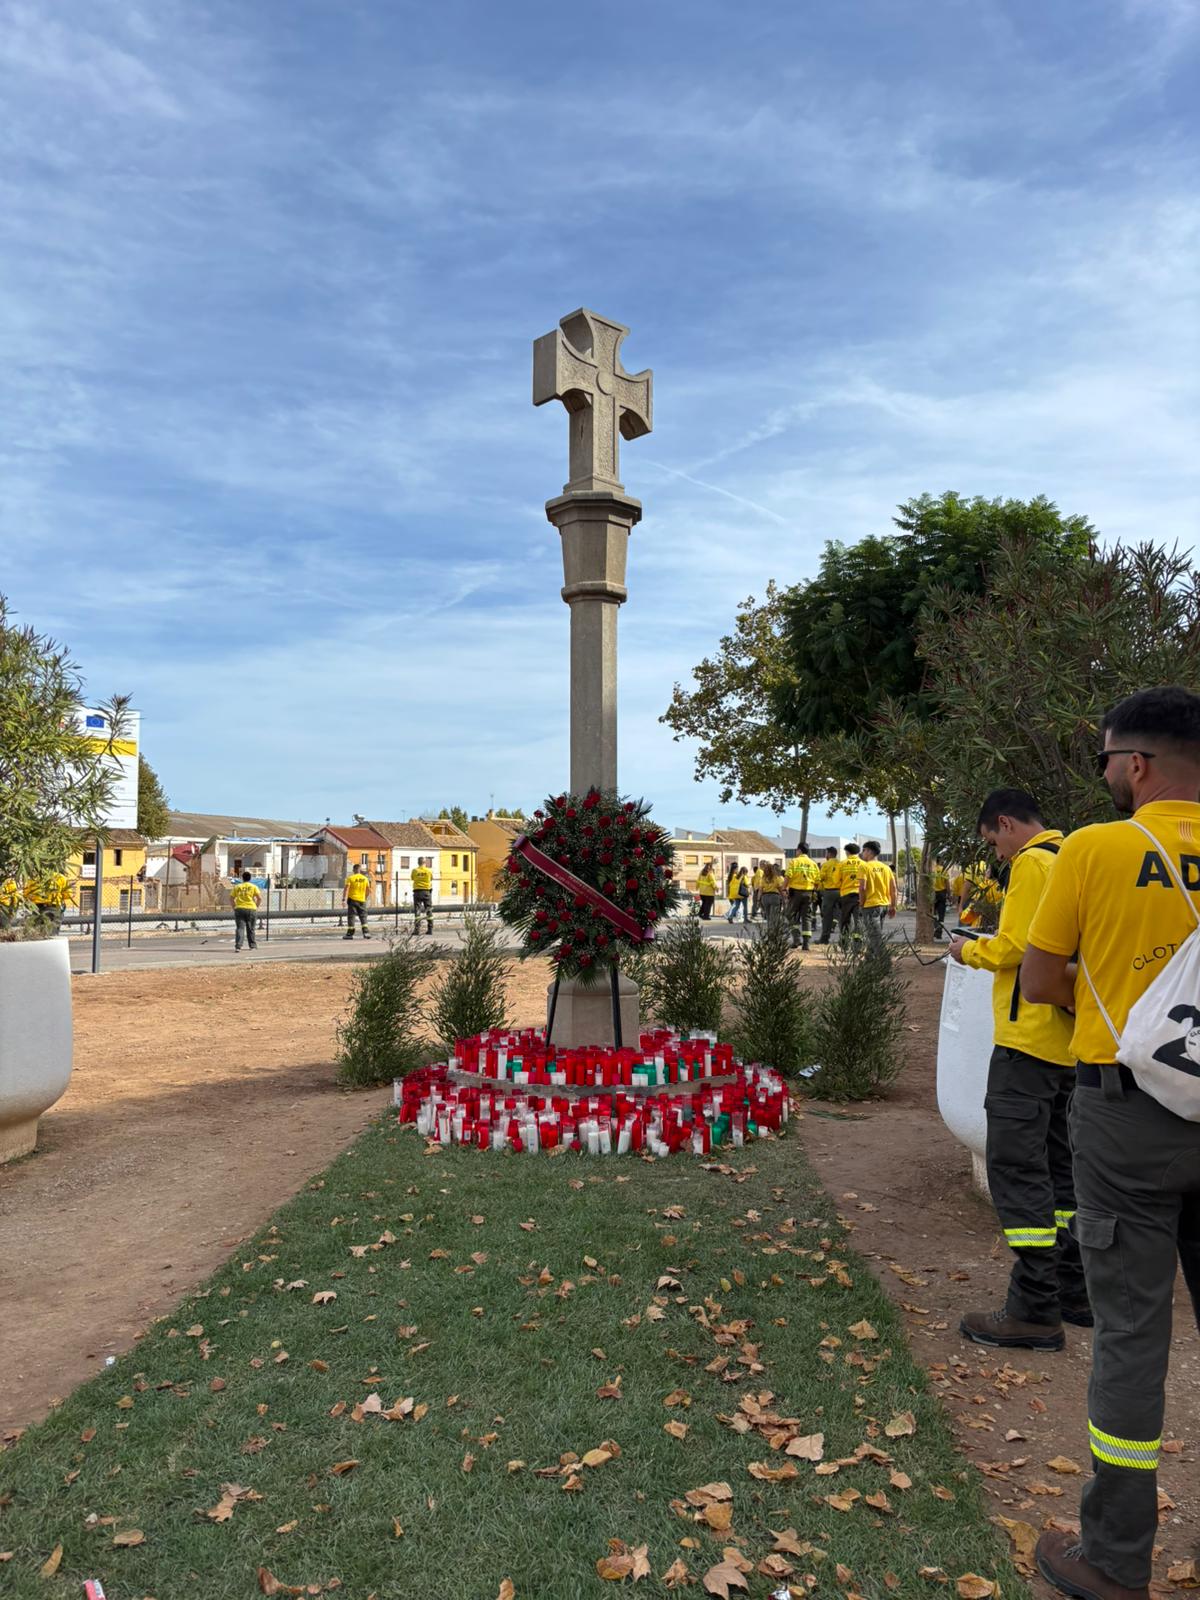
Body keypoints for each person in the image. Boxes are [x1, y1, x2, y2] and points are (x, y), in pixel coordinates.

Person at [1023, 687, 1200, 1600]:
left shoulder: (1097, 847)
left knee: (1132, 1336)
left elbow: (1045, 976)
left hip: (1127, 1117)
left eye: (1104, 762)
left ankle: (1116, 1559)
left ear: (1135, 764)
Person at [948, 789, 1088, 1353]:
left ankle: (1033, 1309)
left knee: (1016, 1167)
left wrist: (967, 952)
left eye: (993, 844)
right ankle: (1074, 1292)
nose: (999, 856)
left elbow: (1021, 947)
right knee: (1062, 1172)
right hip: (1066, 1044)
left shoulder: (1032, 862)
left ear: (1005, 824)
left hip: (1026, 1041)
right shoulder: (1074, 859)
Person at [858, 842, 897, 941]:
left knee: (875, 938)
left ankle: (884, 957)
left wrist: (861, 903)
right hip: (883, 906)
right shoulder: (886, 868)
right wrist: (893, 906)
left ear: (869, 851)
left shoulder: (864, 867)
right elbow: (893, 889)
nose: (862, 853)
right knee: (875, 934)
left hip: (870, 906)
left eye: (864, 850)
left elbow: (862, 888)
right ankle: (869, 956)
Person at [785, 841, 819, 950]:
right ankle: (806, 944)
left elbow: (788, 876)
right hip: (808, 893)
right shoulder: (813, 863)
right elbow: (817, 881)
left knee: (790, 915)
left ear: (799, 850)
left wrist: (783, 888)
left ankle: (796, 938)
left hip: (795, 893)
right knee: (806, 918)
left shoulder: (794, 861)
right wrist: (813, 891)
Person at [838, 843, 864, 940]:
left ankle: (845, 943)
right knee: (859, 920)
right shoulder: (864, 864)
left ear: (847, 852)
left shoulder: (841, 864)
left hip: (846, 895)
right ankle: (858, 943)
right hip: (860, 895)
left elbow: (837, 881)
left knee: (845, 920)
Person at [230, 870, 261, 951]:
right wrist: (256, 906)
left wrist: (234, 907)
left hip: (239, 908)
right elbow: (259, 898)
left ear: (242, 878)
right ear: (250, 878)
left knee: (240, 928)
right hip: (251, 909)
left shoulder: (237, 887)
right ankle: (252, 946)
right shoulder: (253, 887)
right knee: (251, 928)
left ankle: (238, 946)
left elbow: (231, 898)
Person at [817, 847, 842, 944]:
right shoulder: (841, 864)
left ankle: (824, 938)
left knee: (827, 916)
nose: (825, 855)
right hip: (840, 892)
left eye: (826, 853)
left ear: (830, 854)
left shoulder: (826, 865)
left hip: (829, 892)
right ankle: (844, 938)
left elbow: (821, 878)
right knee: (841, 915)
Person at [343, 860, 372, 940]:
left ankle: (350, 934)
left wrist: (343, 899)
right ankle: (366, 932)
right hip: (362, 900)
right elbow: (368, 890)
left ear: (353, 870)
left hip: (352, 900)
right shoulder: (365, 879)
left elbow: (346, 888)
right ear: (360, 870)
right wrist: (365, 898)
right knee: (363, 916)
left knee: (351, 916)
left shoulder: (350, 878)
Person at [411, 856, 434, 935]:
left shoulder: (414, 871)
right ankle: (430, 929)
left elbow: (413, 878)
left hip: (417, 892)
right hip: (426, 892)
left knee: (417, 910)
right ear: (425, 862)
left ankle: (417, 930)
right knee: (428, 910)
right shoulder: (428, 871)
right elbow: (431, 879)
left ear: (418, 862)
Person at [760, 861, 785, 926]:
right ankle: (774, 930)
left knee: (768, 916)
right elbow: (780, 889)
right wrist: (783, 898)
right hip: (774, 897)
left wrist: (759, 899)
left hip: (765, 897)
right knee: (774, 916)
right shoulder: (776, 878)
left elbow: (760, 890)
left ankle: (769, 929)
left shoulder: (763, 878)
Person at [931, 860, 950, 940]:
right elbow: (947, 883)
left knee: (933, 913)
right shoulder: (944, 871)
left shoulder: (932, 871)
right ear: (941, 861)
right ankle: (939, 932)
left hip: (933, 893)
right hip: (942, 893)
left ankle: (935, 926)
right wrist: (949, 893)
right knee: (941, 915)